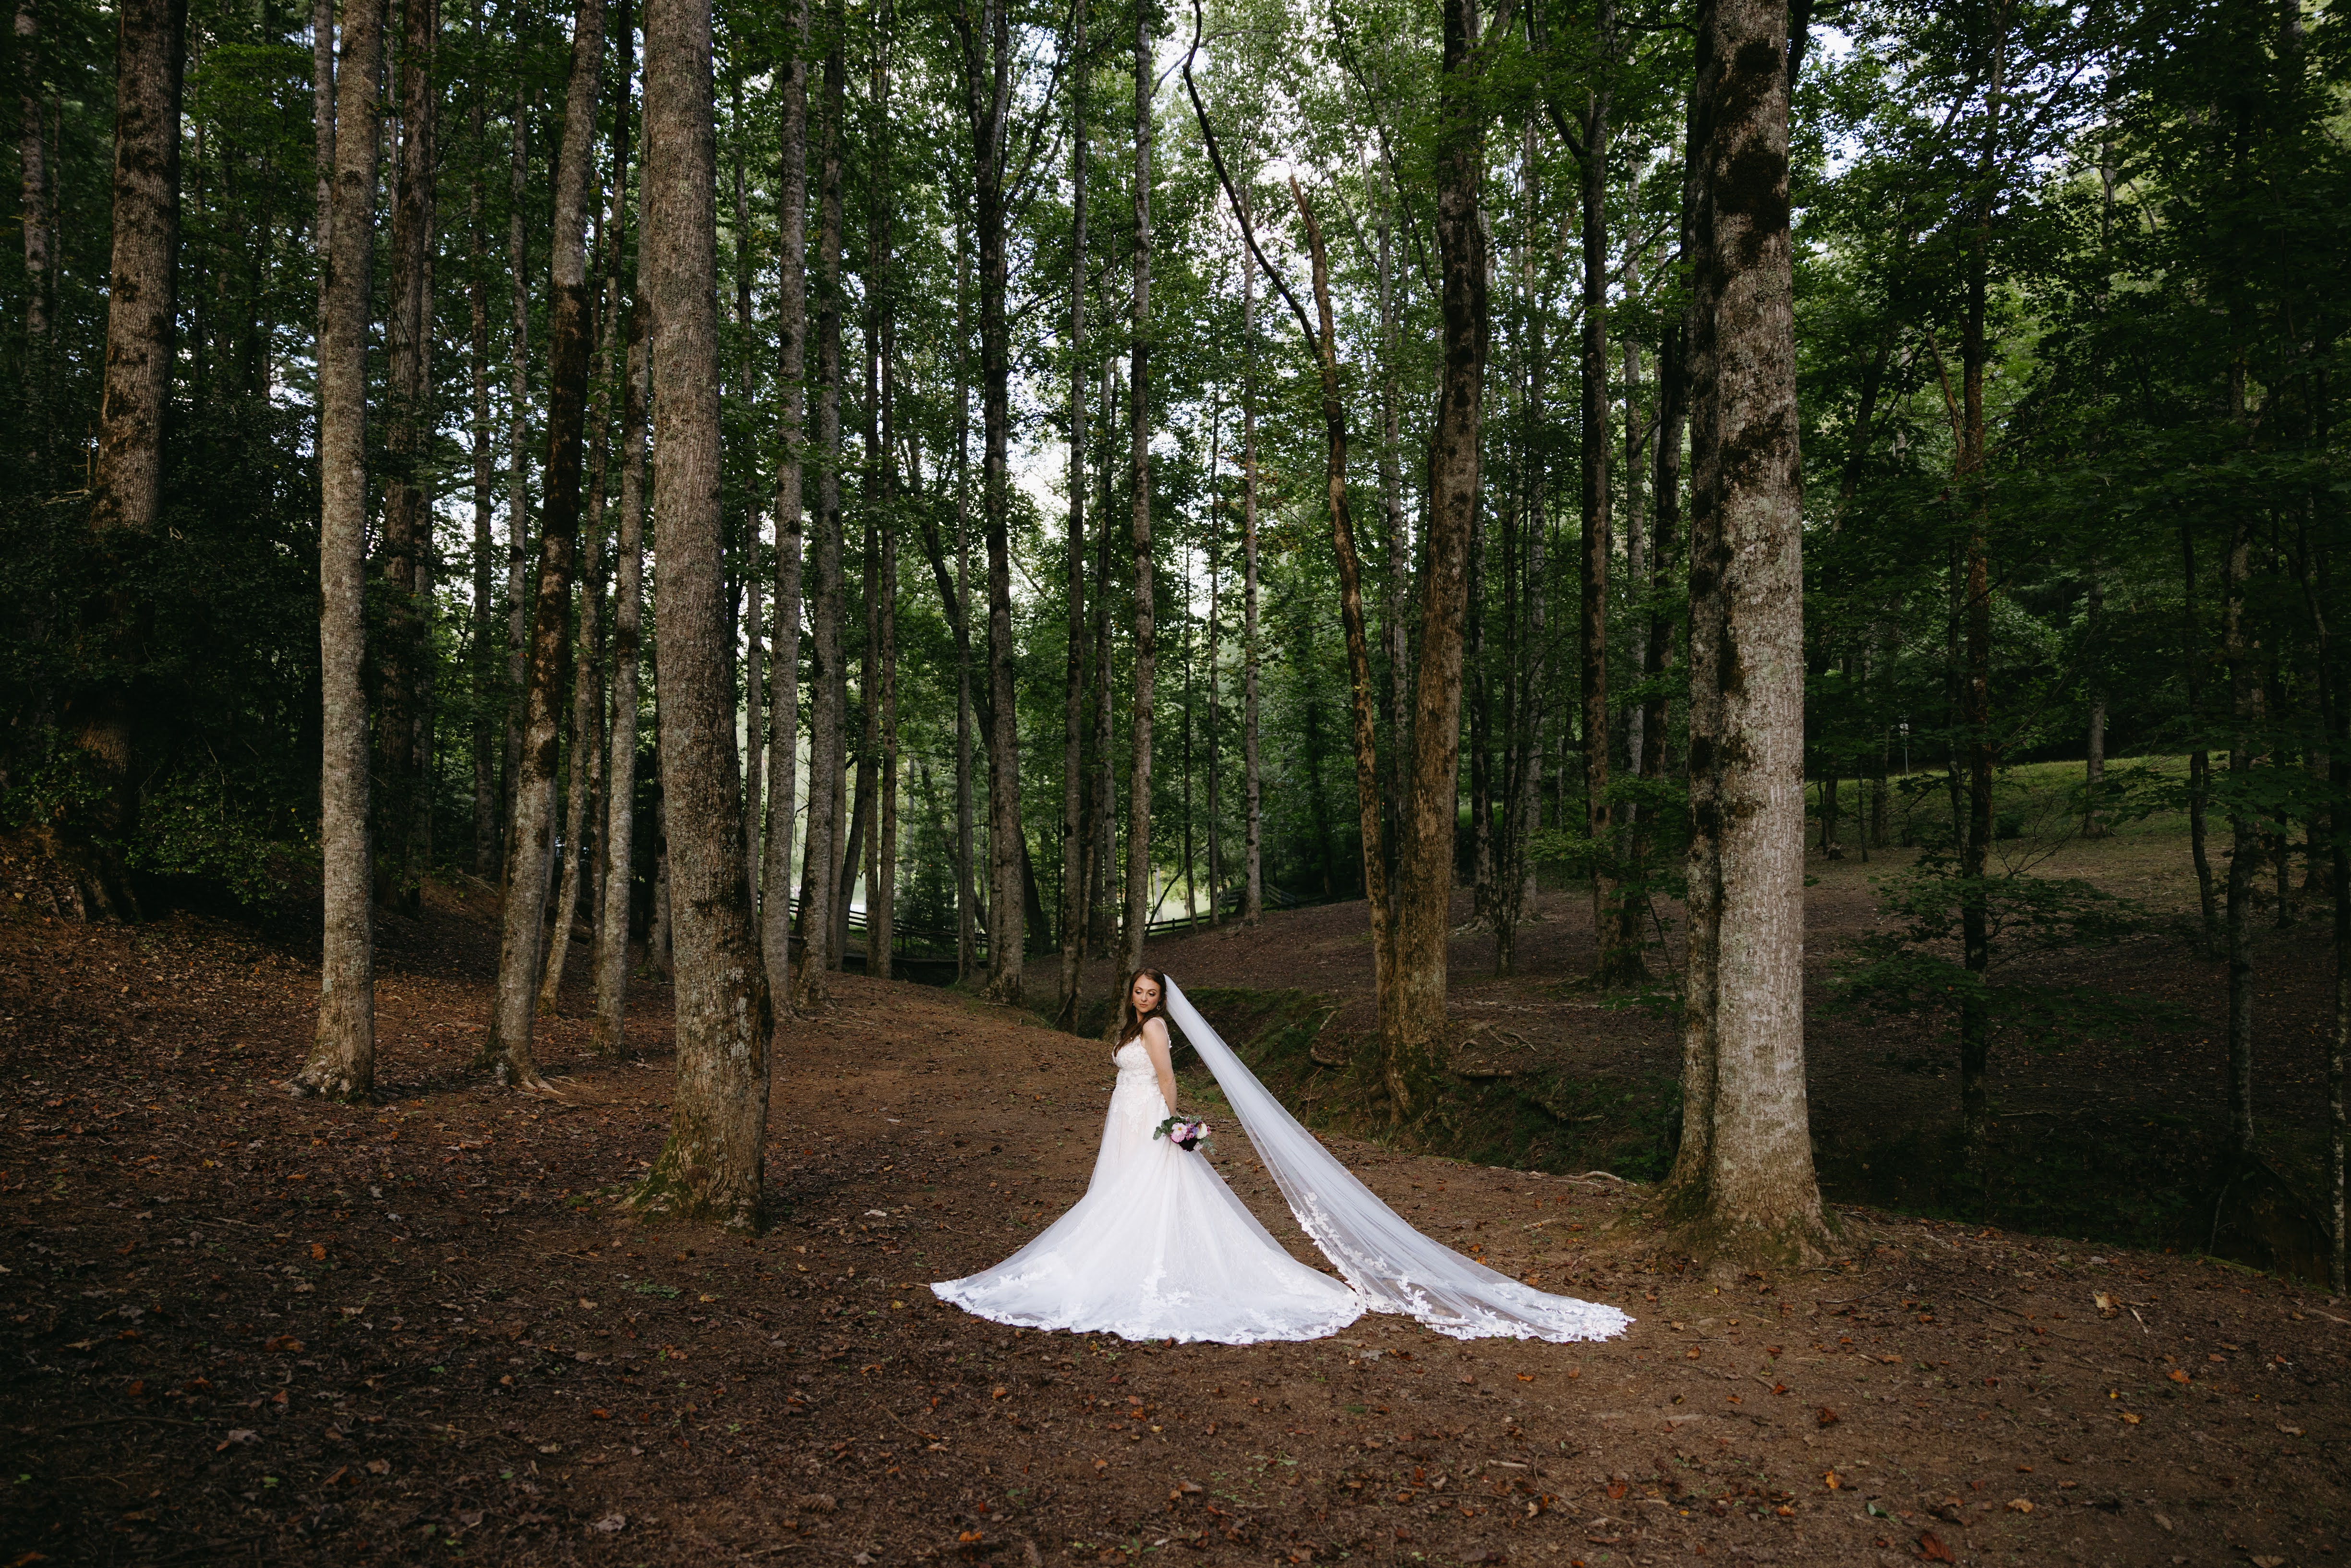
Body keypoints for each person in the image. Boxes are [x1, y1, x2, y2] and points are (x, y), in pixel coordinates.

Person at [931, 970, 1630, 1347]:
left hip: (1148, 1115)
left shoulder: (1153, 1029)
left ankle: (1149, 1263)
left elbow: (1168, 1079)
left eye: (1151, 992)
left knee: (1154, 1185)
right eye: (1139, 990)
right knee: (1124, 1190)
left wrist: (1176, 1122)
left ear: (1161, 1000)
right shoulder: (1131, 1023)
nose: (1143, 999)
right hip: (1124, 1115)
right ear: (1132, 992)